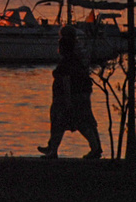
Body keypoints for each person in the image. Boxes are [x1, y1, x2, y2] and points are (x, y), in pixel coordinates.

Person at [38, 25, 102, 159]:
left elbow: (66, 79)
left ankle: (94, 148)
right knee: (77, 121)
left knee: (75, 122)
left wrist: (67, 99)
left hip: (70, 96)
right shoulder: (79, 53)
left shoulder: (68, 60)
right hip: (79, 93)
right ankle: (53, 148)